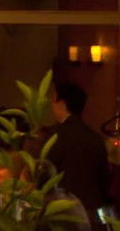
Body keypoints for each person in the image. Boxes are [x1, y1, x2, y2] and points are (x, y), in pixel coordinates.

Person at [41, 83, 114, 222]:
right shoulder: (95, 137)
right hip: (92, 211)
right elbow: (104, 177)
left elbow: (46, 174)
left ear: (61, 103)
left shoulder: (56, 136)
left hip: (63, 210)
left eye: (52, 100)